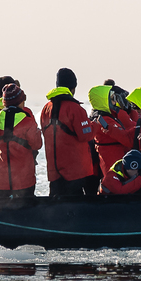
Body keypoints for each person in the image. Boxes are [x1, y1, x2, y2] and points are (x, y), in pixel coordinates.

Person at [40, 67, 98, 198]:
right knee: (75, 205)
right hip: (74, 173)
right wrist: (95, 125)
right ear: (73, 88)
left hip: (54, 172)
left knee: (55, 205)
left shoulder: (46, 108)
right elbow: (86, 135)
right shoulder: (75, 108)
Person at [0, 81, 41, 199]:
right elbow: (37, 144)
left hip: (1, 179)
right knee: (26, 206)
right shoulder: (27, 121)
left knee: (2, 206)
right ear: (20, 101)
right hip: (24, 178)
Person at [90, 81, 141, 196]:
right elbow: (128, 136)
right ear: (104, 100)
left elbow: (130, 128)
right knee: (119, 191)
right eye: (112, 98)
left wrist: (128, 111)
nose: (115, 102)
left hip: (119, 162)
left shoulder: (111, 117)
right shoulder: (105, 120)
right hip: (113, 163)